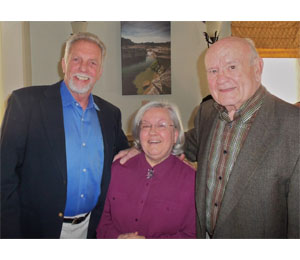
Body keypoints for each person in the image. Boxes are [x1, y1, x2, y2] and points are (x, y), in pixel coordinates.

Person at [114, 36, 299, 238]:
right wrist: (143, 147)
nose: (221, 78)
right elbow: (184, 143)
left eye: (232, 67)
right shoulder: (208, 112)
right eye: (213, 71)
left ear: (257, 68)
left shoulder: (293, 125)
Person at [0, 32, 129, 238]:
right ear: (64, 64)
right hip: (36, 230)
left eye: (92, 63)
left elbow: (127, 154)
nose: (84, 68)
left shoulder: (110, 114)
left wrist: (168, 159)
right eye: (76, 59)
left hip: (90, 228)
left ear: (100, 71)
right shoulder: (26, 104)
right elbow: (4, 176)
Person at [97, 101, 196, 239]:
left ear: (174, 135)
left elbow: (191, 235)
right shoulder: (117, 169)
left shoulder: (192, 180)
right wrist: (117, 239)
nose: (153, 132)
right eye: (146, 126)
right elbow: (101, 220)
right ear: (138, 134)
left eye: (161, 125)